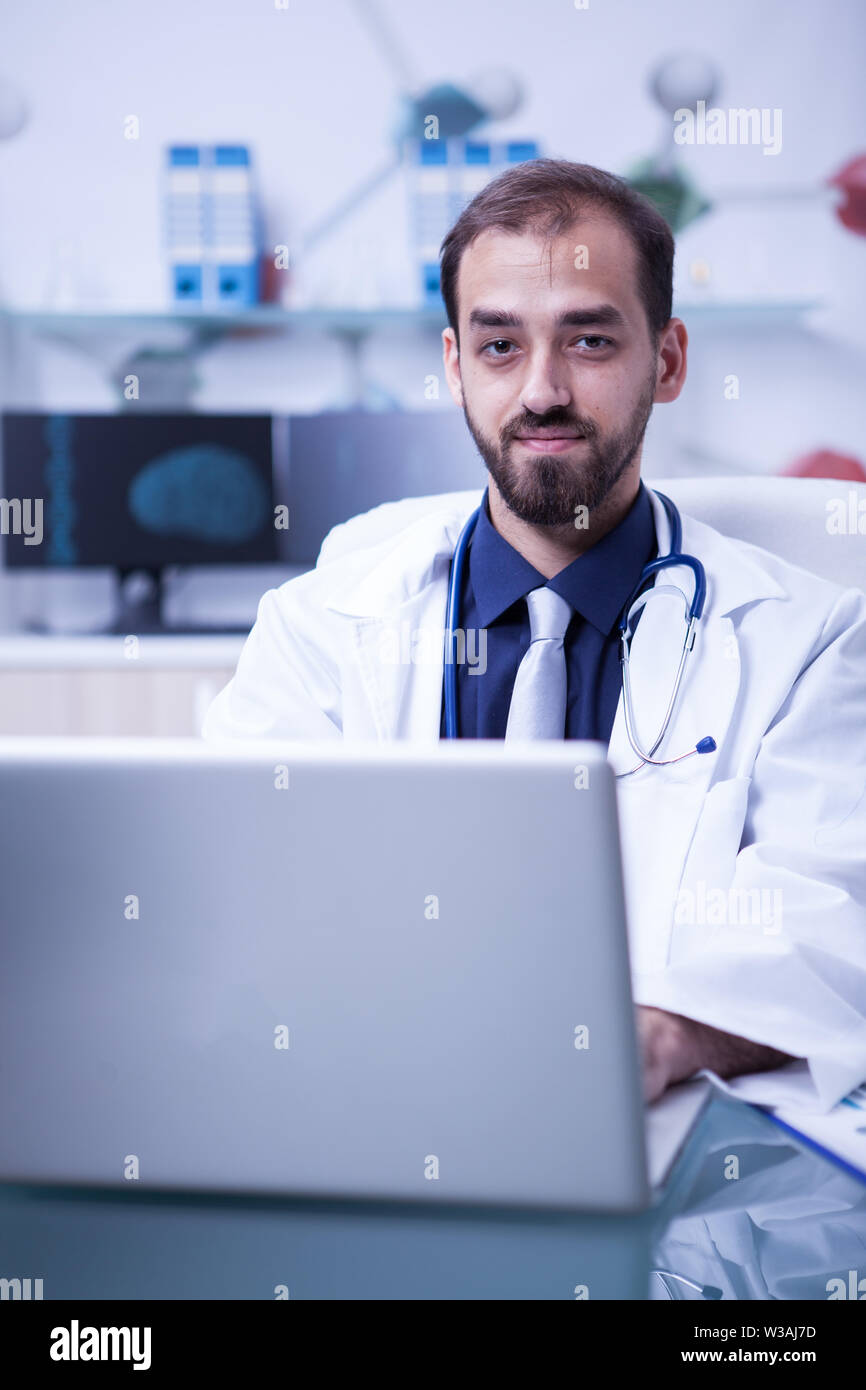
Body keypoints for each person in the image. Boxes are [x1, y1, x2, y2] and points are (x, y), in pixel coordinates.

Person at [203, 159, 866, 1110]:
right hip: (364, 1105)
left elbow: (833, 922)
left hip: (662, 1132)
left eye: (589, 340)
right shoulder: (323, 629)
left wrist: (659, 1037)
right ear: (454, 367)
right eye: (501, 346)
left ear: (667, 361)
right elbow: (235, 897)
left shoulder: (809, 639)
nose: (542, 390)